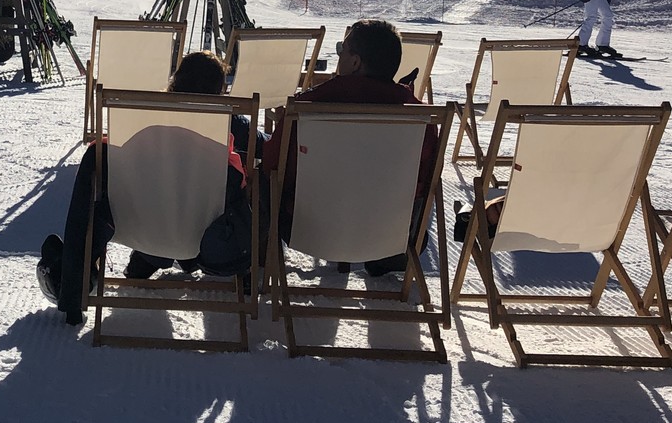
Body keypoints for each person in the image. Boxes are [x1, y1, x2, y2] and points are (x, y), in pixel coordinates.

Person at [36, 51, 251, 325]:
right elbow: (237, 189)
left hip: (136, 229)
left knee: (110, 196)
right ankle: (245, 272)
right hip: (199, 241)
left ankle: (76, 279)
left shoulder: (140, 126)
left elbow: (95, 168)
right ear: (219, 93)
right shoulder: (222, 145)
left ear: (174, 81)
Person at [263, 19, 436, 277]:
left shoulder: (308, 108)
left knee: (262, 180)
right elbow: (424, 183)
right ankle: (379, 256)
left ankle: (258, 261)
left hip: (311, 230)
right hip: (392, 234)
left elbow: (272, 165)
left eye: (341, 50)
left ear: (355, 62)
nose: (338, 56)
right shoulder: (421, 119)